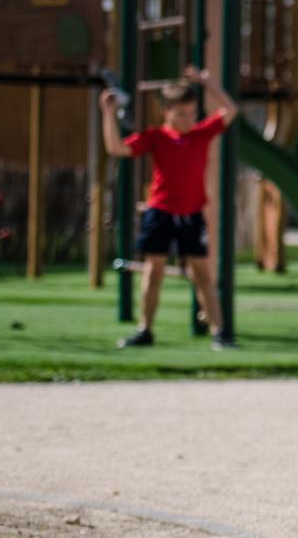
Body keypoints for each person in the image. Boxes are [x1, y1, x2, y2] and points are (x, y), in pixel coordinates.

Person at [99, 65, 239, 350]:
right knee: (153, 273)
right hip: (160, 214)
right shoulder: (155, 138)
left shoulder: (201, 134)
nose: (188, 119)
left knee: (203, 276)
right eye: (181, 114)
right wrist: (108, 113)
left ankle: (219, 333)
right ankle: (145, 330)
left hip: (192, 216)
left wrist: (207, 82)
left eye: (192, 113)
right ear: (167, 112)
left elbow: (231, 110)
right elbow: (116, 148)